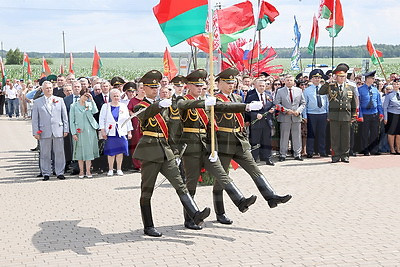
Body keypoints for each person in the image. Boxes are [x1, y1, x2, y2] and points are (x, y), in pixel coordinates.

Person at [132, 70, 211, 237]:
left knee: (180, 184)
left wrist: (176, 153)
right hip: (150, 150)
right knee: (147, 190)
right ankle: (148, 226)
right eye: (151, 87)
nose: (155, 90)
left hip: (166, 151)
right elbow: (145, 115)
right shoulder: (140, 105)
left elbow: (173, 131)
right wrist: (158, 105)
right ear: (143, 88)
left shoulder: (166, 105)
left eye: (157, 87)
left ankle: (195, 215)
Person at [179, 69, 257, 230]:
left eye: (202, 85)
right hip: (191, 146)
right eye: (197, 85)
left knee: (221, 174)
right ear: (189, 86)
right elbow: (184, 106)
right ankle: (189, 218)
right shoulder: (182, 99)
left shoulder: (208, 101)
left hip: (207, 146)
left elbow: (212, 125)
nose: (200, 88)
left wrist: (214, 147)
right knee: (191, 182)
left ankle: (239, 200)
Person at [214, 68, 291, 224]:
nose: (231, 85)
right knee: (221, 180)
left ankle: (271, 197)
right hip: (224, 142)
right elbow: (226, 108)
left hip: (239, 141)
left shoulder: (236, 96)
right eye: (227, 82)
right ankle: (220, 212)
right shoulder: (216, 99)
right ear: (219, 83)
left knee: (254, 169)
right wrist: (247, 107)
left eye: (232, 82)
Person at [319, 64, 357, 163]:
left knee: (345, 137)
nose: (342, 78)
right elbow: (321, 91)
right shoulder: (331, 86)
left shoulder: (350, 88)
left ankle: (345, 155)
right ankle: (335, 156)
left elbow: (353, 103)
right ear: (336, 77)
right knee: (335, 137)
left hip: (346, 116)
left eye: (343, 76)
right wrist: (328, 81)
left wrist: (353, 115)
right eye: (340, 76)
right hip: (334, 116)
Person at [31, 81, 69, 181]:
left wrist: (66, 129)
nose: (49, 90)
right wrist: (35, 132)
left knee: (59, 152)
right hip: (44, 131)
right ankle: (46, 173)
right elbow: (35, 119)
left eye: (50, 88)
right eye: (47, 88)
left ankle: (59, 172)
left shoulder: (59, 100)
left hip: (58, 130)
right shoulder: (37, 102)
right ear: (43, 90)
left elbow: (64, 116)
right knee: (45, 153)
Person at [99, 89, 133, 176]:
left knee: (119, 151)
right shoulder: (105, 106)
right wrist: (103, 131)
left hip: (121, 131)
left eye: (117, 96)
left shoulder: (123, 106)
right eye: (114, 96)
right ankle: (110, 169)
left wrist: (129, 132)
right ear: (111, 97)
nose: (116, 98)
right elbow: (101, 119)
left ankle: (119, 169)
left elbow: (127, 119)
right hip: (110, 132)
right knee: (111, 152)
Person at [274, 75, 306, 161]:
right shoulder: (280, 91)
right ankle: (283, 154)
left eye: (291, 80)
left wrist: (299, 111)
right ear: (284, 81)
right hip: (285, 117)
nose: (289, 82)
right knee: (284, 137)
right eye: (287, 80)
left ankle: (297, 154)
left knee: (297, 136)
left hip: (296, 116)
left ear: (294, 82)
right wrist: (285, 110)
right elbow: (277, 103)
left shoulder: (299, 91)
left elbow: (303, 103)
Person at [69, 89, 99, 178]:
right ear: (81, 95)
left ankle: (88, 171)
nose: (86, 98)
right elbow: (72, 120)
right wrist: (73, 132)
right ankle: (81, 171)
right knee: (80, 150)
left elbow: (95, 111)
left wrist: (92, 100)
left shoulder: (89, 104)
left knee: (89, 150)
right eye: (85, 96)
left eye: (88, 96)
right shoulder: (74, 106)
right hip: (79, 131)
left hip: (90, 130)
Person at [245, 78, 275, 165]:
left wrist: (273, 109)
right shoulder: (251, 96)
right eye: (260, 86)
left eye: (263, 86)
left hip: (267, 122)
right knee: (255, 141)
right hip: (256, 122)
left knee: (267, 141)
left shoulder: (268, 94)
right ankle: (254, 159)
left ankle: (268, 158)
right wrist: (255, 115)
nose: (262, 87)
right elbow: (247, 109)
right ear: (256, 86)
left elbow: (272, 104)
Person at [302, 69, 329, 158]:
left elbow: (327, 102)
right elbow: (304, 104)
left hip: (322, 113)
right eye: (315, 78)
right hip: (311, 113)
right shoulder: (307, 91)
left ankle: (322, 151)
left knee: (322, 133)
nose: (317, 79)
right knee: (311, 133)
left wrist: (328, 114)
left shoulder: (325, 89)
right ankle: (310, 151)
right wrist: (305, 116)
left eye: (319, 78)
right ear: (311, 79)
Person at [358, 70, 384, 156]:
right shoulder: (360, 90)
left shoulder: (375, 90)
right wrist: (360, 115)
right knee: (365, 133)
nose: (373, 80)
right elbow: (359, 104)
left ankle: (374, 150)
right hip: (365, 113)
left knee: (375, 133)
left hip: (374, 113)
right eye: (372, 78)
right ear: (367, 79)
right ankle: (365, 149)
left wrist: (381, 113)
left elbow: (379, 102)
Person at [127, 82, 145, 172]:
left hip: (146, 125)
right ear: (137, 90)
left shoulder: (147, 100)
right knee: (137, 144)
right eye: (141, 88)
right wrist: (134, 115)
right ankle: (138, 165)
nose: (143, 89)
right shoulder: (133, 101)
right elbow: (129, 110)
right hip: (136, 125)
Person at [383, 79, 400, 154]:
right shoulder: (389, 95)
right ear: (392, 85)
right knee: (391, 132)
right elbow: (385, 107)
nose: (396, 86)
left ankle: (398, 148)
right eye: (394, 84)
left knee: (399, 133)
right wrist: (385, 118)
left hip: (399, 115)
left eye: (397, 84)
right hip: (392, 115)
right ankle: (392, 149)